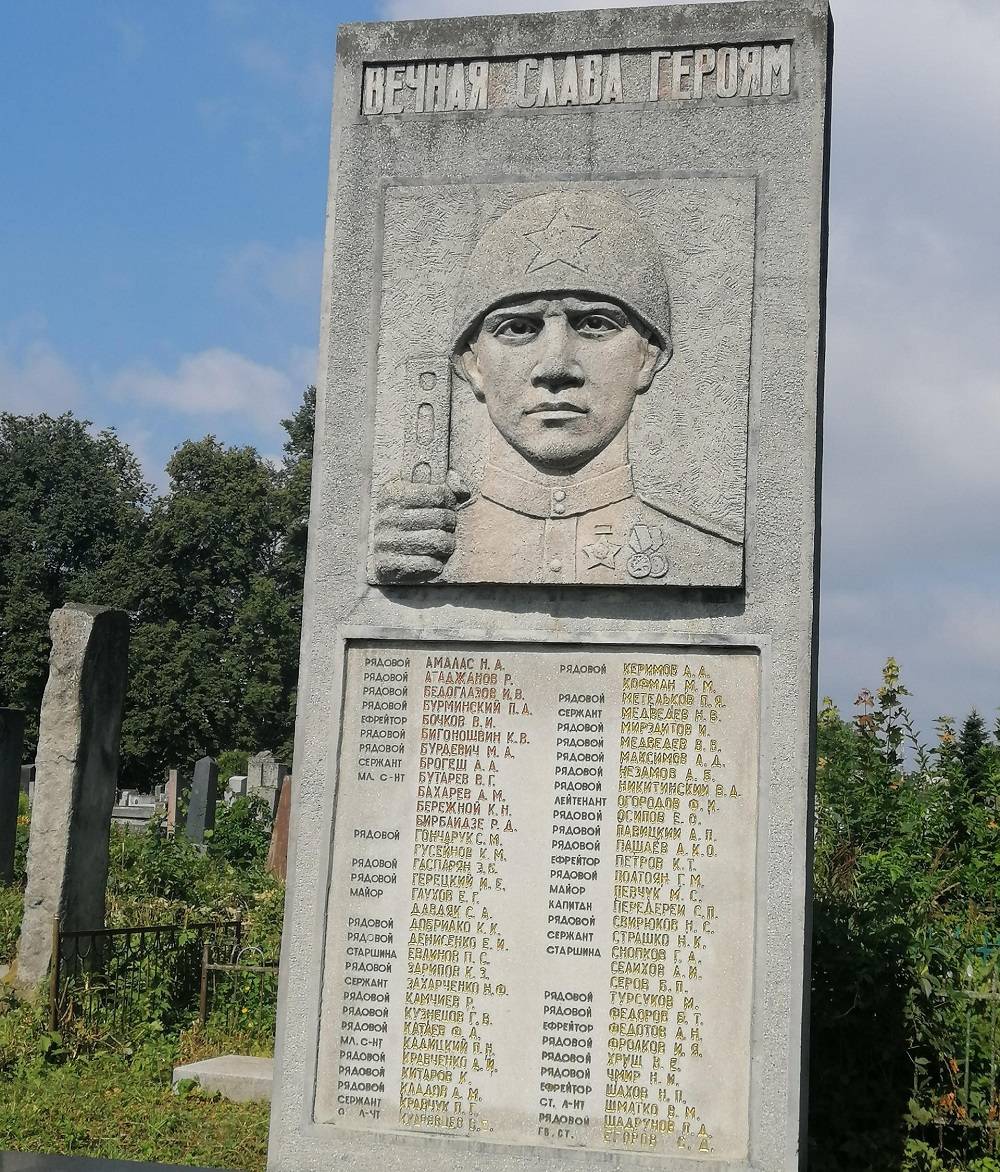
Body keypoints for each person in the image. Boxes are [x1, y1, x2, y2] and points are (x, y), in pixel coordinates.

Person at [373, 190, 742, 586]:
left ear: (647, 357)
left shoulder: (705, 558)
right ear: (472, 364)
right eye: (518, 328)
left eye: (595, 324)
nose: (555, 366)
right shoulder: (419, 552)